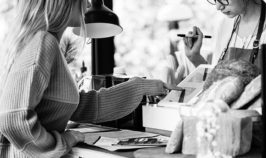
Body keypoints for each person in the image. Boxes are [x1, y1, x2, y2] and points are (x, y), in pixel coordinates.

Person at [0, 0, 180, 158]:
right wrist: (61, 142)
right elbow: (13, 119)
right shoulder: (42, 43)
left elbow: (79, 107)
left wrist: (140, 87)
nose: (88, 4)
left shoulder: (45, 42)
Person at [182, 0, 266, 91]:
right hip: (231, 120)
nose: (218, 7)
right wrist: (195, 57)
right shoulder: (224, 26)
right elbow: (216, 84)